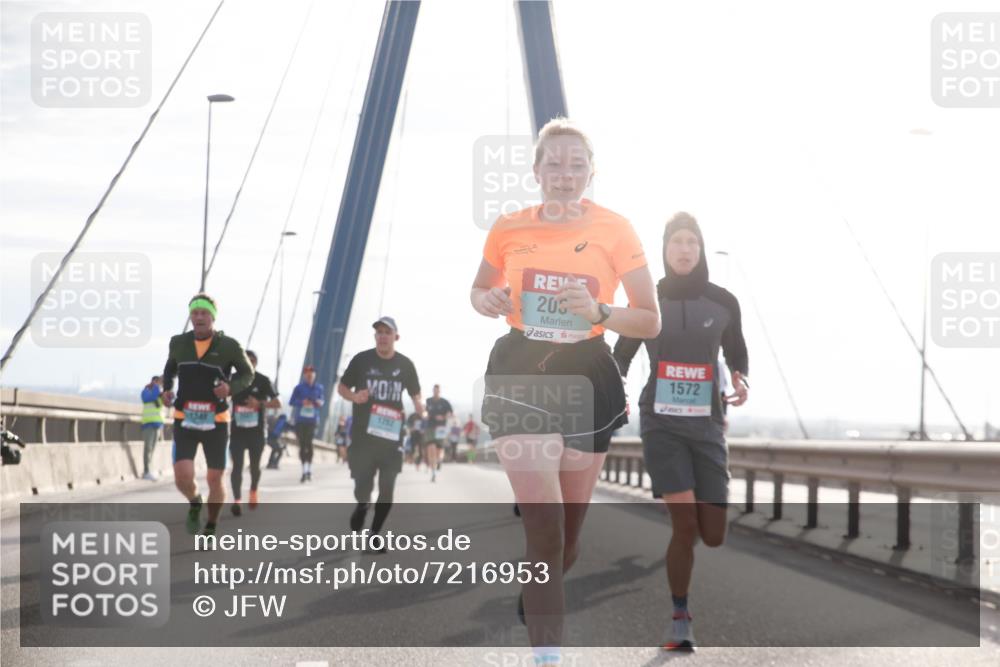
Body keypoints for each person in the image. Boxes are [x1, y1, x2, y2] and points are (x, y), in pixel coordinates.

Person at [470, 118, 659, 664]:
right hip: (522, 371)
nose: (564, 174)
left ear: (591, 172)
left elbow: (649, 320)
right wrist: (484, 299)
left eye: (577, 164)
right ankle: (547, 657)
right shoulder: (508, 226)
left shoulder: (617, 230)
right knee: (545, 532)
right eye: (553, 163)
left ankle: (540, 588)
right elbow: (481, 287)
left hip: (588, 374)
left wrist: (601, 311)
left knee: (568, 541)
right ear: (535, 171)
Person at [614, 212, 749, 652]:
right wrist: (615, 388)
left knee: (712, 533)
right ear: (665, 250)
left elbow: (737, 350)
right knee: (684, 523)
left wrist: (742, 378)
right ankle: (679, 617)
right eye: (677, 242)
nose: (685, 249)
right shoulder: (648, 300)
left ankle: (683, 546)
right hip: (662, 423)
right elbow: (623, 351)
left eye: (692, 241)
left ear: (701, 248)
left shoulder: (724, 301)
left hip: (708, 425)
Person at [162, 293, 254, 536]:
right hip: (185, 417)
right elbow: (170, 369)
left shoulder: (229, 346)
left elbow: (248, 374)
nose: (199, 317)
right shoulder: (178, 343)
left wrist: (230, 388)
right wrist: (167, 389)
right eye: (195, 313)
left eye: (204, 313)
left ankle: (211, 524)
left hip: (217, 421)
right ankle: (195, 501)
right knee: (183, 476)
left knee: (215, 478)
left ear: (213, 317)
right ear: (190, 316)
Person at [337, 316, 422, 545]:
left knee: (387, 488)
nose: (383, 336)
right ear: (375, 336)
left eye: (387, 332)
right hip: (364, 437)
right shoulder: (361, 360)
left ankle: (375, 534)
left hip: (392, 438)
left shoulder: (405, 364)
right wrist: (354, 396)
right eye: (379, 332)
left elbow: (415, 392)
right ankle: (363, 504)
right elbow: (342, 387)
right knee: (362, 485)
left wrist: (418, 405)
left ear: (396, 337)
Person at [229, 350, 280, 516]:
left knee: (254, 467)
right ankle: (237, 500)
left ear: (256, 363)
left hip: (256, 432)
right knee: (236, 467)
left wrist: (259, 403)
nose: (249, 363)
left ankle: (253, 491)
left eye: (252, 361)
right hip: (237, 431)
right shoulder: (234, 379)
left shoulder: (263, 380)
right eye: (246, 360)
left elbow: (277, 403)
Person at [289, 365, 325, 483]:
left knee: (308, 443)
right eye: (307, 373)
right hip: (300, 420)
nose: (309, 375)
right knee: (302, 444)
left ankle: (308, 469)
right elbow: (291, 401)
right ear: (304, 375)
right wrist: (301, 402)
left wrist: (317, 403)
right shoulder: (298, 388)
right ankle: (304, 468)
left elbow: (322, 401)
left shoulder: (319, 388)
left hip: (312, 421)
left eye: (311, 373)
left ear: (314, 375)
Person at [423, 384, 453, 482]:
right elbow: (424, 411)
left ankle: (439, 461)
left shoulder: (445, 402)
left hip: (441, 428)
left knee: (439, 451)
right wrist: (425, 415)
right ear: (433, 391)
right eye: (434, 390)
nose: (436, 392)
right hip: (430, 427)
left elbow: (450, 413)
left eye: (437, 390)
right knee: (431, 449)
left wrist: (444, 417)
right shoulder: (428, 401)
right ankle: (433, 472)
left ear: (439, 391)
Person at [140, 375, 164, 481]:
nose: (159, 384)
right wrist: (155, 387)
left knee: (152, 449)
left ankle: (150, 470)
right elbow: (149, 398)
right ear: (153, 382)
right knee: (148, 448)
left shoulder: (159, 392)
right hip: (148, 424)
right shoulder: (145, 391)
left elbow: (160, 403)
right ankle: (146, 471)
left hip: (157, 424)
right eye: (157, 382)